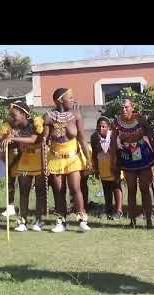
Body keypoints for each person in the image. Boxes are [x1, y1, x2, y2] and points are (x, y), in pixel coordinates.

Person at [43, 88, 91, 233]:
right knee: (59, 190)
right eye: (69, 98)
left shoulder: (76, 115)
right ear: (59, 100)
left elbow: (82, 138)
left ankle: (82, 219)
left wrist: (88, 159)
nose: (72, 100)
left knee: (76, 188)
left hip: (73, 157)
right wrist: (43, 163)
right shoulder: (48, 117)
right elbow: (44, 141)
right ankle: (60, 221)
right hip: (55, 157)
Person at [0, 101, 46, 232]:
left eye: (14, 115)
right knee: (24, 192)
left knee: (40, 192)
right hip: (25, 162)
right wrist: (6, 140)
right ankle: (23, 221)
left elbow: (33, 140)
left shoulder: (35, 124)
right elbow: (5, 142)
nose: (12, 118)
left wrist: (13, 139)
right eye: (11, 116)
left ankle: (39, 220)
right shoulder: (13, 128)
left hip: (39, 160)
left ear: (24, 114)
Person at [115, 98, 154, 229]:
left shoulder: (140, 119)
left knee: (145, 188)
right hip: (127, 156)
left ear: (132, 107)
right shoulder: (116, 122)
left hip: (142, 154)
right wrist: (115, 160)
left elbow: (150, 137)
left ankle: (149, 220)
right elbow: (114, 142)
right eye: (122, 107)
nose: (124, 109)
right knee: (131, 189)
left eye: (126, 107)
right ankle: (132, 221)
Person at [91, 116, 123, 220]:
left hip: (114, 166)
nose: (101, 129)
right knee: (106, 189)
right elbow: (94, 154)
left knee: (116, 187)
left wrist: (119, 167)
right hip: (103, 167)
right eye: (99, 127)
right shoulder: (94, 137)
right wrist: (96, 168)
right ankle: (109, 210)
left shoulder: (114, 136)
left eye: (103, 126)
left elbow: (119, 150)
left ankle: (118, 211)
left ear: (109, 127)